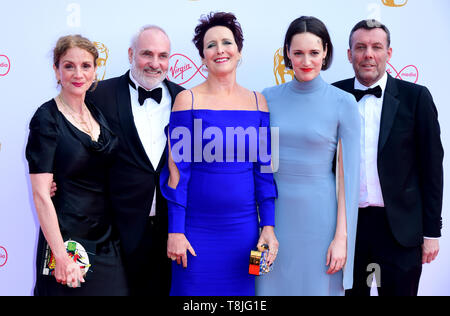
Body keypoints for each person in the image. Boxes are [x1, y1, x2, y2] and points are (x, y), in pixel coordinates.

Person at [160, 12, 278, 296]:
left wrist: (269, 226)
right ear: (202, 56)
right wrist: (175, 230)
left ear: (239, 51)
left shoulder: (258, 102)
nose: (220, 49)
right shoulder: (186, 100)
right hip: (196, 232)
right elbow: (177, 172)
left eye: (227, 42)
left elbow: (265, 171)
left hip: (244, 233)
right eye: (210, 45)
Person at [334, 19, 444, 296]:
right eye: (360, 47)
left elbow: (432, 169)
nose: (368, 54)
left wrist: (432, 232)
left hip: (400, 231)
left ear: (388, 53)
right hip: (348, 231)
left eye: (376, 47)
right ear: (349, 54)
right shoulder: (333, 96)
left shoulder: (416, 98)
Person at [255, 16, 360, 296]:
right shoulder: (266, 97)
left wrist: (342, 238)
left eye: (314, 53)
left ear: (325, 51)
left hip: (321, 221)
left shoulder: (344, 102)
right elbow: (258, 167)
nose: (306, 61)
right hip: (271, 219)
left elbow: (348, 180)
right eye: (298, 52)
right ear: (287, 52)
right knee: (264, 287)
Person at [26, 35, 127, 296]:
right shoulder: (46, 119)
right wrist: (60, 256)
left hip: (106, 239)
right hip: (69, 241)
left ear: (95, 69)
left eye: (86, 65)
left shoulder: (96, 112)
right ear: (56, 69)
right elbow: (40, 193)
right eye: (69, 65)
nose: (78, 73)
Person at [86, 25, 184, 295]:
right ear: (131, 54)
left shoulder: (184, 98)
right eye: (147, 54)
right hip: (116, 232)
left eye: (163, 56)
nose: (155, 64)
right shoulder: (98, 95)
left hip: (169, 230)